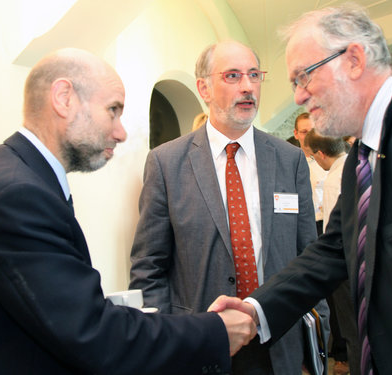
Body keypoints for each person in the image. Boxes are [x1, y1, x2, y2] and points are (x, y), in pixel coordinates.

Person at [210, 3, 392, 375]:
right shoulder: (359, 160)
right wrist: (255, 309)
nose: (299, 96)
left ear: (353, 60)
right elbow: (332, 251)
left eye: (304, 77)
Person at [0, 47, 256, 375]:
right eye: (112, 110)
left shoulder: (20, 176)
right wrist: (215, 330)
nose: (121, 132)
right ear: (64, 98)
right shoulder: (20, 193)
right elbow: (92, 333)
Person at [129, 40, 329, 375]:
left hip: (280, 342)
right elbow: (149, 267)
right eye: (233, 76)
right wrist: (164, 342)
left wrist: (316, 338)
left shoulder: (289, 159)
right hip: (200, 343)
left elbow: (309, 254)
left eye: (254, 75)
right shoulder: (167, 163)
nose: (248, 86)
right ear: (203, 88)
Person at [305, 130, 360, 375]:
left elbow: (331, 228)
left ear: (320, 154)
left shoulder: (333, 179)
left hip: (345, 262)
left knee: (350, 326)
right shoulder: (357, 164)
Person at [294, 112, 327, 234]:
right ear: (296, 134)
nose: (309, 136)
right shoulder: (290, 164)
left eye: (312, 131)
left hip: (327, 222)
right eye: (304, 132)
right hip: (302, 226)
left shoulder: (327, 160)